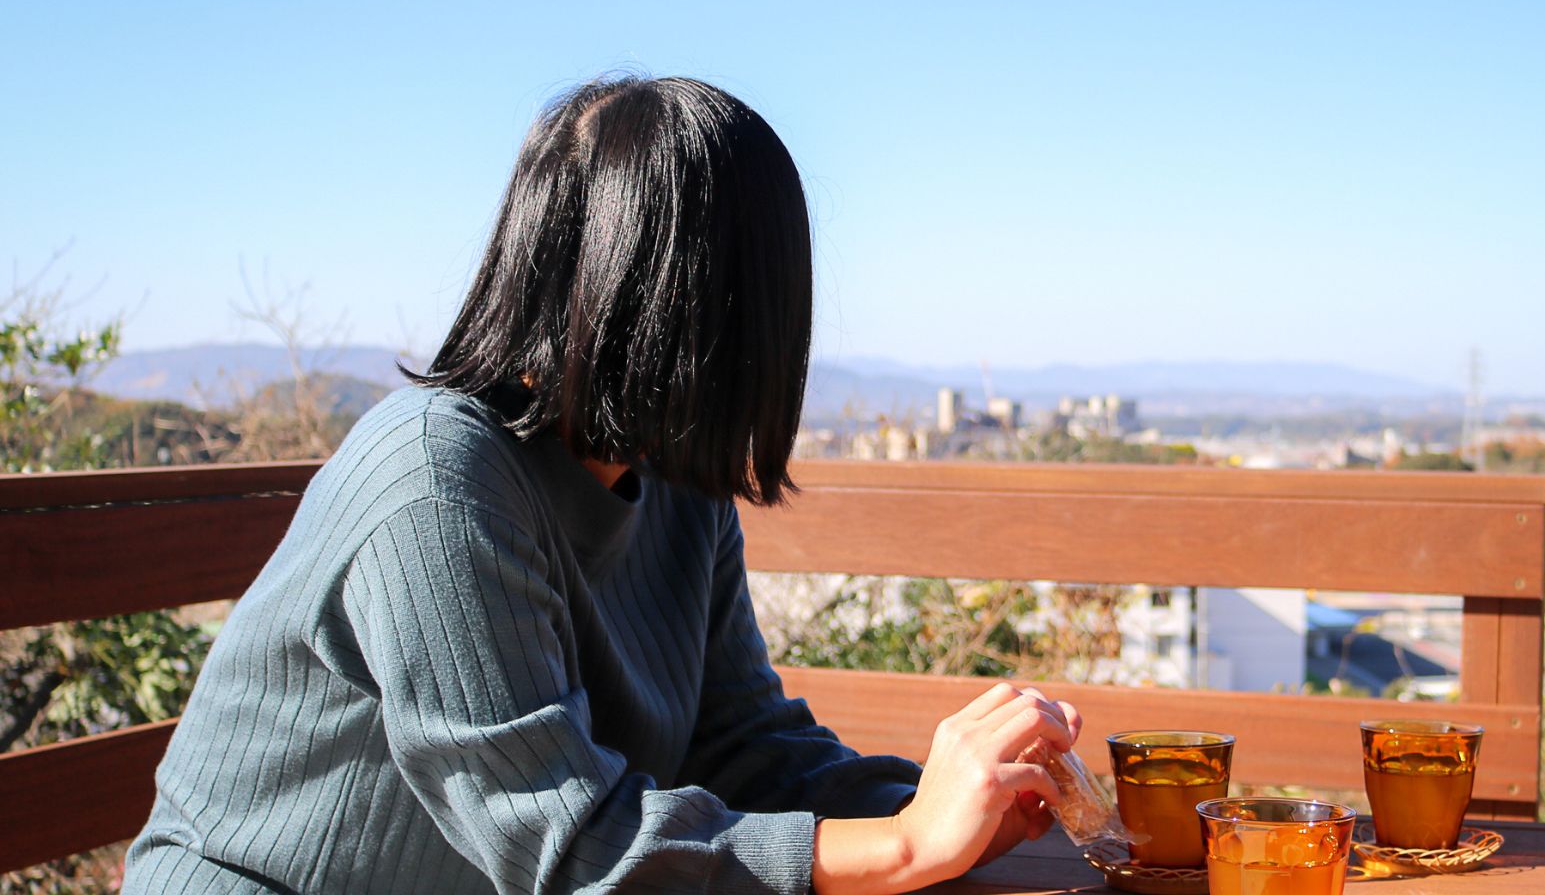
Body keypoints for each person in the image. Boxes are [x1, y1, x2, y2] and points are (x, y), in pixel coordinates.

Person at [125, 76, 1080, 893]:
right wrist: (906, 844)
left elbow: (739, 745)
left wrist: (950, 803)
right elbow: (567, 845)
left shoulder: (677, 484)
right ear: (687, 301)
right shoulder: (437, 481)